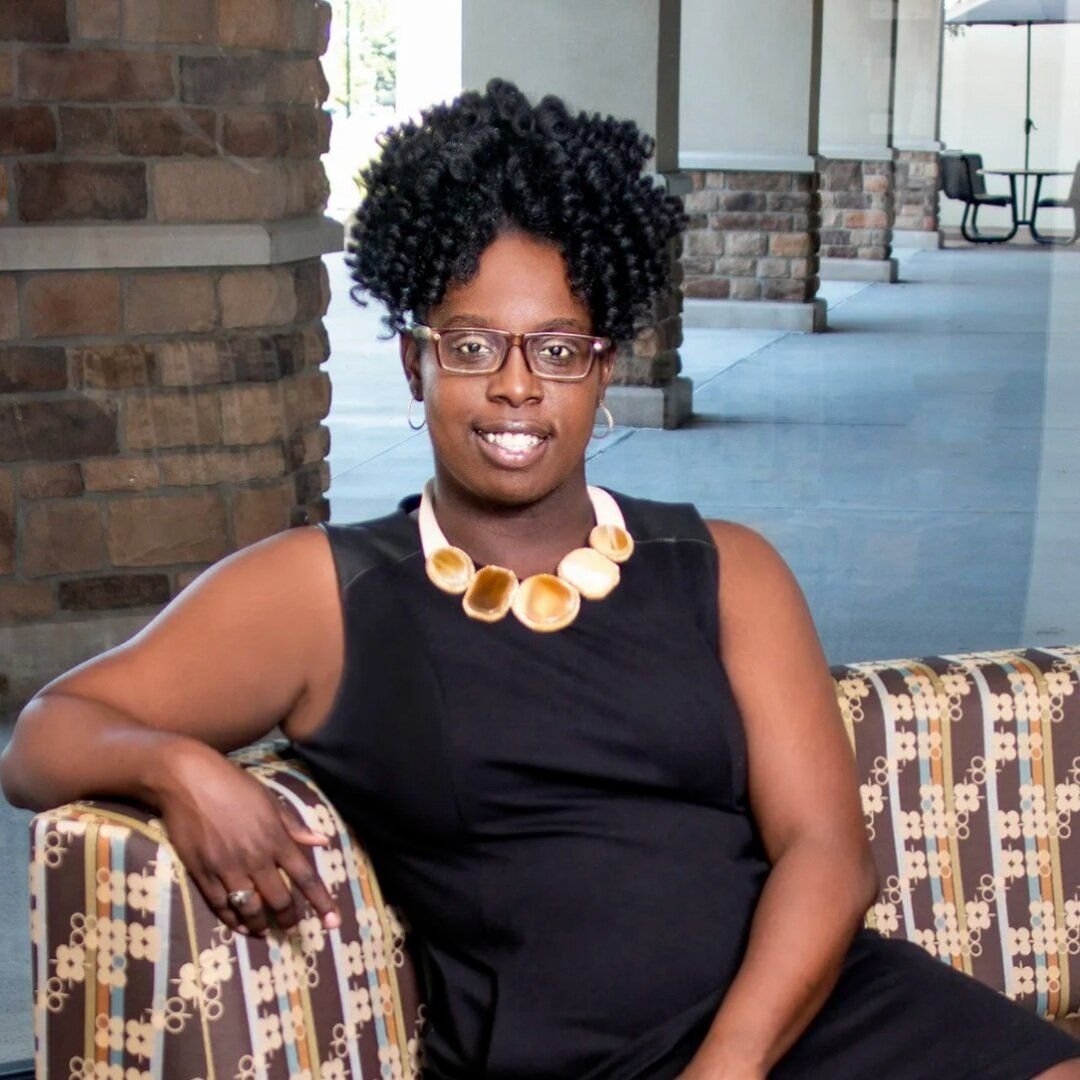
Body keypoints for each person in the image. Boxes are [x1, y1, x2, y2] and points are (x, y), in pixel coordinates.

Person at [1, 80, 1077, 1080]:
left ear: (602, 368)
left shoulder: (726, 569)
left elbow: (827, 853)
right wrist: (178, 770)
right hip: (574, 1061)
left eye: (558, 350)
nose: (516, 388)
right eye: (474, 346)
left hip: (808, 1016)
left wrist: (730, 1068)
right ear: (418, 363)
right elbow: (47, 734)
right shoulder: (324, 595)